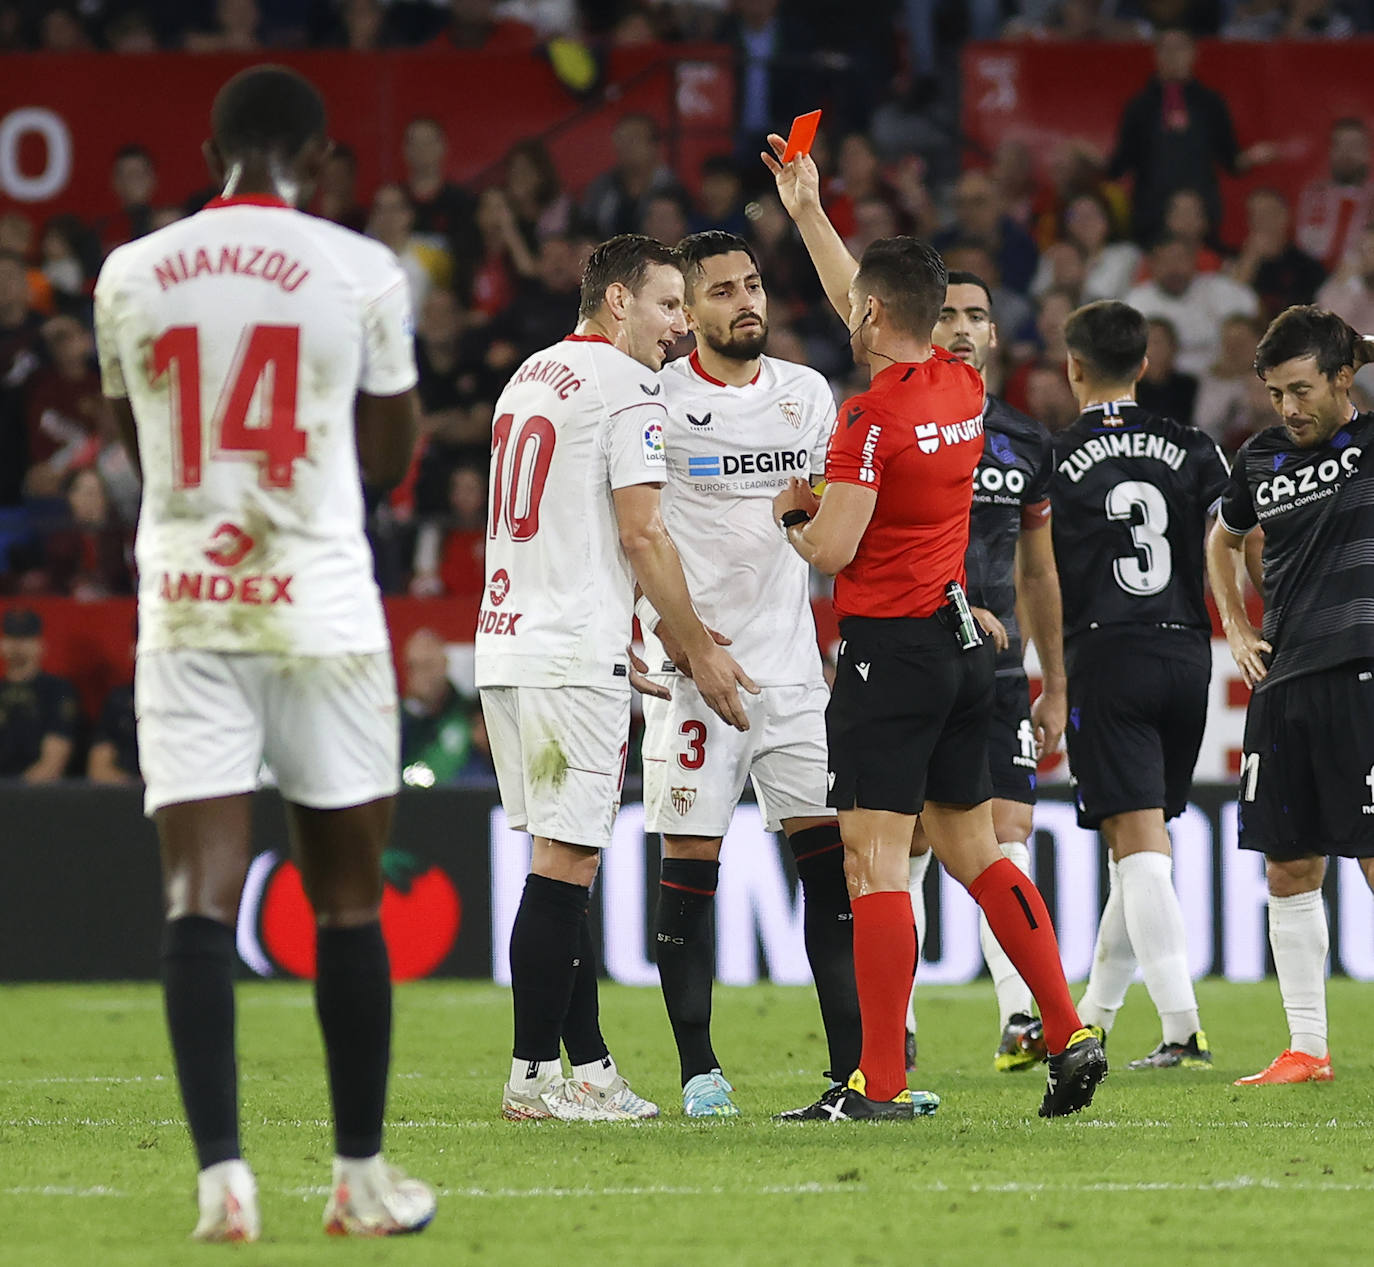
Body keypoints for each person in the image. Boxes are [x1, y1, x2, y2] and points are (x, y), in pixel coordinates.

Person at [92, 66, 435, 1241]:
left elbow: (129, 437)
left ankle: (222, 1183)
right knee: (345, 900)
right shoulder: (362, 269)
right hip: (321, 610)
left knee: (197, 893)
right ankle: (357, 1178)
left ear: (211, 149)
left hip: (185, 604)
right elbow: (390, 459)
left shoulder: (130, 273)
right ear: (323, 160)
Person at [762, 134, 1105, 1122]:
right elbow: (860, 303)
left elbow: (831, 548)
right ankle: (1068, 1023)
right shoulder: (962, 388)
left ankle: (881, 1081)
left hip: (889, 655)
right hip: (961, 652)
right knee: (980, 854)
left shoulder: (868, 420)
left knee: (875, 864)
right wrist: (809, 211)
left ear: (873, 316)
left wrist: (791, 509)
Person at [474, 233, 758, 1123]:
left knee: (561, 863)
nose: (681, 328)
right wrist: (694, 646)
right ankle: (531, 1078)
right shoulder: (628, 387)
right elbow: (642, 532)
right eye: (671, 304)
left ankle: (589, 1066)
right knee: (564, 864)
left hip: (510, 639)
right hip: (566, 655)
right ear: (620, 302)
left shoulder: (530, 375)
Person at [636, 230, 858, 1117]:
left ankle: (855, 1074)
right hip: (696, 671)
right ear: (687, 313)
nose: (746, 302)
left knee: (831, 867)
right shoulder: (656, 396)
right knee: (691, 860)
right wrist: (688, 643)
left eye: (754, 284)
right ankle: (700, 1073)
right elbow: (634, 534)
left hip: (793, 671)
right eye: (723, 291)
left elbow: (826, 522)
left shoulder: (807, 394)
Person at [1050, 300, 1230, 1069]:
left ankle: (1184, 1028)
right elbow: (1237, 533)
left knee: (1138, 843)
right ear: (1147, 364)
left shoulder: (1054, 456)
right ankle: (1094, 1014)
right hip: (1190, 651)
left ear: (1073, 367)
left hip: (1107, 648)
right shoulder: (1196, 446)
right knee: (1141, 842)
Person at [1206, 305, 1374, 1085]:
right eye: (1276, 392)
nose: (1288, 409)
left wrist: (1360, 347)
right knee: (1288, 864)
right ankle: (1307, 1047)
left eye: (1302, 389)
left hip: (1364, 674)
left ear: (1344, 378)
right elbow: (1222, 538)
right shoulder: (1260, 458)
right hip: (1286, 680)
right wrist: (1237, 627)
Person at [907, 269, 1068, 1074]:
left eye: (976, 314)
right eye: (945, 315)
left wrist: (1056, 684)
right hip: (910, 658)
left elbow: (1039, 574)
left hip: (1000, 675)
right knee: (900, 842)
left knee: (1004, 835)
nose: (961, 328)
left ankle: (1018, 1017)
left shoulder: (1027, 441)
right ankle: (895, 1029)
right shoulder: (898, 420)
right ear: (920, 325)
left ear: (996, 335)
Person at [1108, 27, 1275, 244]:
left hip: (1201, 219)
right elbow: (1120, 164)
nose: (1173, 55)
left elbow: (1231, 161)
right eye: (1165, 49)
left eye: (1180, 48)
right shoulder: (1139, 107)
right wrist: (1091, 162)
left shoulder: (1211, 103)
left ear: (1194, 54)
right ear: (1155, 55)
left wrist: (1251, 157)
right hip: (1151, 220)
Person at [1126, 235, 1260, 378]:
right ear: (1152, 264)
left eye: (1180, 260)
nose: (1174, 269)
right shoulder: (1136, 302)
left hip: (1224, 381)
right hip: (1165, 386)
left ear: (1194, 261)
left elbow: (1257, 322)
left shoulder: (1220, 289)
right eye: (1165, 261)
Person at [0, 608, 78, 783]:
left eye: (26, 638)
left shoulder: (56, 690)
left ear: (40, 645)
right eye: (11, 637)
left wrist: (13, 798)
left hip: (36, 796)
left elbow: (52, 761)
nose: (17, 646)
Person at [1295, 118, 1374, 275]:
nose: (1346, 153)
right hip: (1311, 277)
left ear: (1367, 152)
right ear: (1331, 151)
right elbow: (1304, 244)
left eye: (1354, 146)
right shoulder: (1313, 194)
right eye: (1340, 145)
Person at [399, 628, 475, 786]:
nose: (420, 675)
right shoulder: (398, 721)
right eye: (413, 667)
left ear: (445, 664)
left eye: (428, 665)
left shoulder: (471, 715)